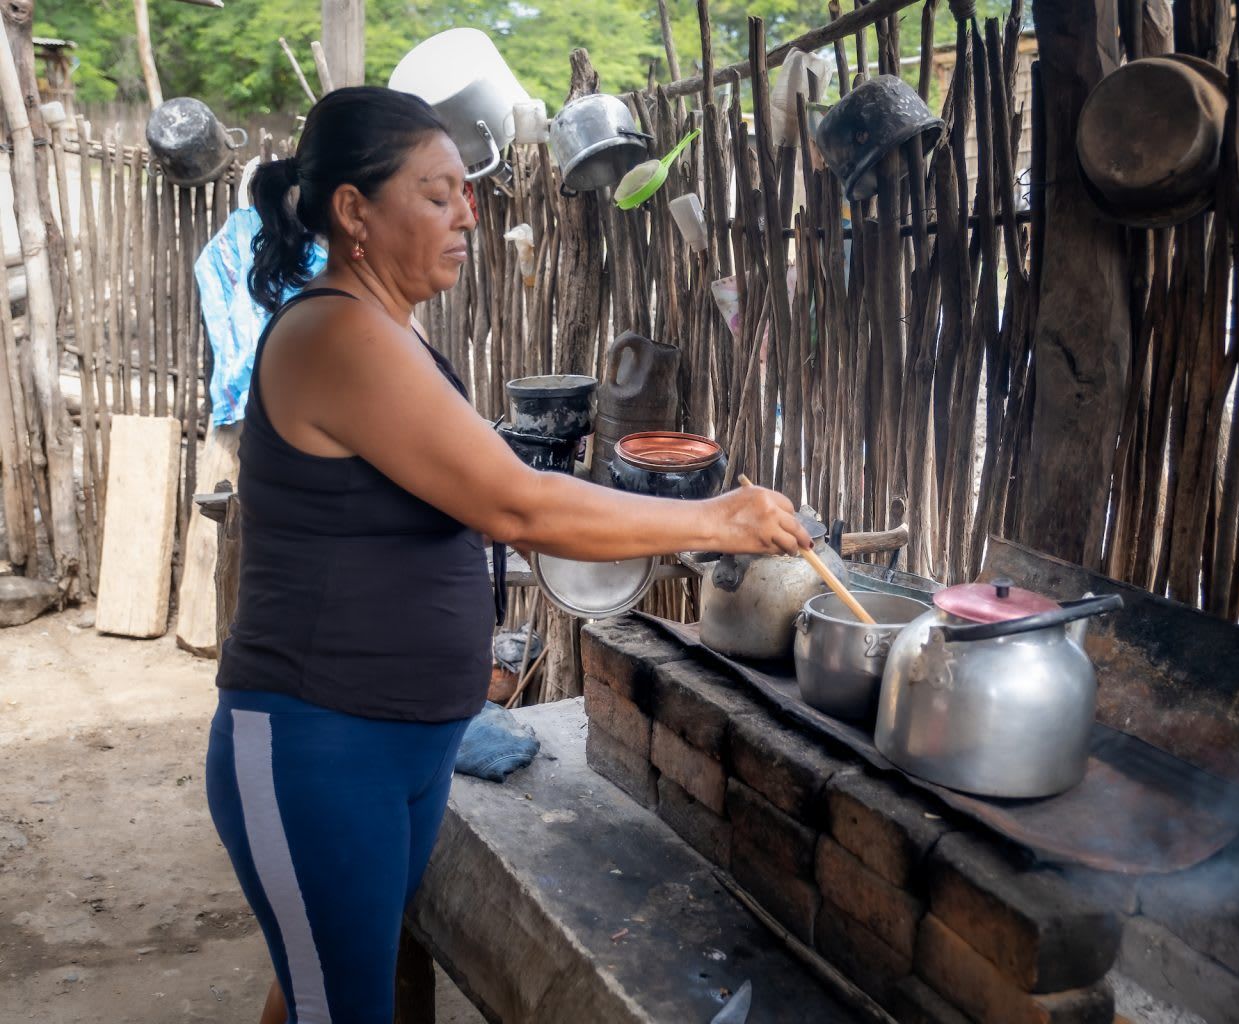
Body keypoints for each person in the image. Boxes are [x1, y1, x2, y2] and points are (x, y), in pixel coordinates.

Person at [205, 86, 810, 1024]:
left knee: (321, 990)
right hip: (317, 745)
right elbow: (515, 505)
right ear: (354, 210)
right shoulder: (335, 334)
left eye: (465, 190)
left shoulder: (389, 330)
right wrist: (719, 518)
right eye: (438, 192)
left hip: (393, 746)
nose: (469, 212)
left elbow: (479, 497)